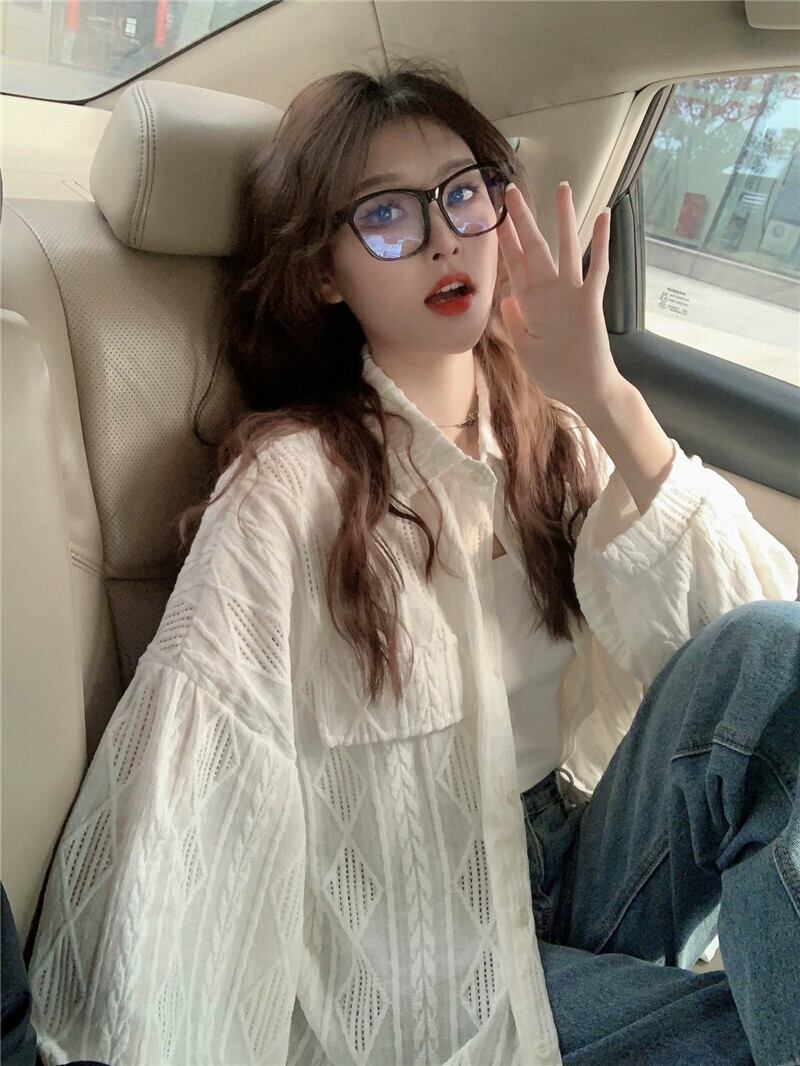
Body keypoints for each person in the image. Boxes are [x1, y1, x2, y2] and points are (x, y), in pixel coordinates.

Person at [26, 58, 799, 1066]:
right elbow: (198, 777)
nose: (442, 237)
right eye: (387, 215)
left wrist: (604, 393)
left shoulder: (551, 432)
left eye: (462, 193)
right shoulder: (292, 482)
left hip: (587, 856)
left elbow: (751, 651)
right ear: (323, 273)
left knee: (771, 653)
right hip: (422, 938)